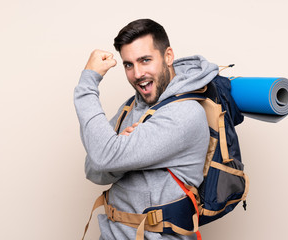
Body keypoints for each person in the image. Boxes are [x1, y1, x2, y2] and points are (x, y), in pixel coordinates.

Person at [74, 19, 219, 240]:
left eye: (145, 60)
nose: (138, 73)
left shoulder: (184, 114)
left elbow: (102, 156)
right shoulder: (132, 106)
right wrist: (117, 153)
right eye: (129, 65)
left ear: (168, 56)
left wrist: (87, 84)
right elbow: (92, 168)